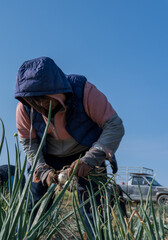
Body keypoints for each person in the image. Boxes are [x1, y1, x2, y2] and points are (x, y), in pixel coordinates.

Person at [15, 57, 124, 236]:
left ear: (56, 89)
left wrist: (91, 158)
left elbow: (114, 126)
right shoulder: (25, 108)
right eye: (34, 100)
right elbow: (28, 143)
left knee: (94, 210)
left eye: (44, 97)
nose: (40, 104)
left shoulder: (85, 92)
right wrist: (41, 169)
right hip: (47, 157)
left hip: (85, 153)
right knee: (33, 206)